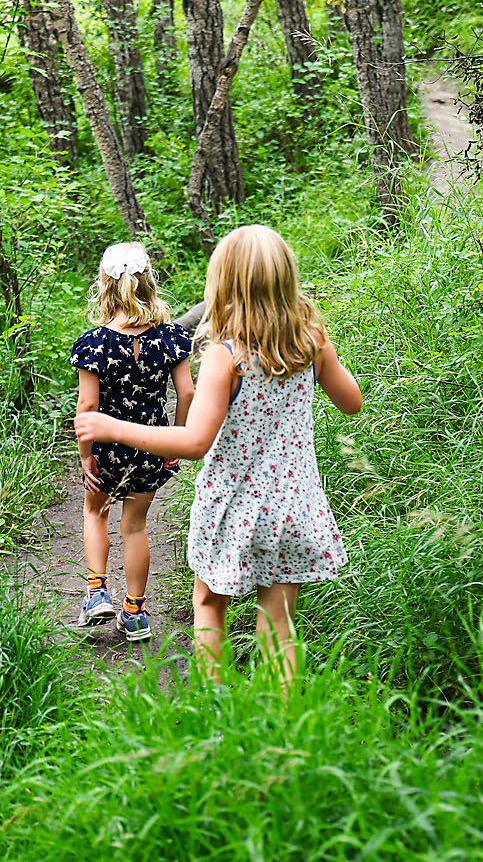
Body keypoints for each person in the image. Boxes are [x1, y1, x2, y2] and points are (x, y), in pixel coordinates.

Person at [75, 225, 362, 685]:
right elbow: (352, 401)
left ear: (223, 284)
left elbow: (194, 442)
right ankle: (285, 717)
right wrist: (321, 346)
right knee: (279, 622)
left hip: (234, 505)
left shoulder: (225, 357)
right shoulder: (310, 340)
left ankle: (217, 712)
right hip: (295, 503)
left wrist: (110, 426)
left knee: (209, 604)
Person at [70, 242, 195, 641]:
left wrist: (86, 456)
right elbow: (187, 394)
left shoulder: (93, 344)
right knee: (135, 527)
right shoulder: (172, 337)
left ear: (105, 286)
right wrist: (174, 441)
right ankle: (136, 613)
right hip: (152, 445)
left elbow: (87, 404)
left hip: (106, 449)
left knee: (95, 515)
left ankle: (96, 593)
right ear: (148, 283)